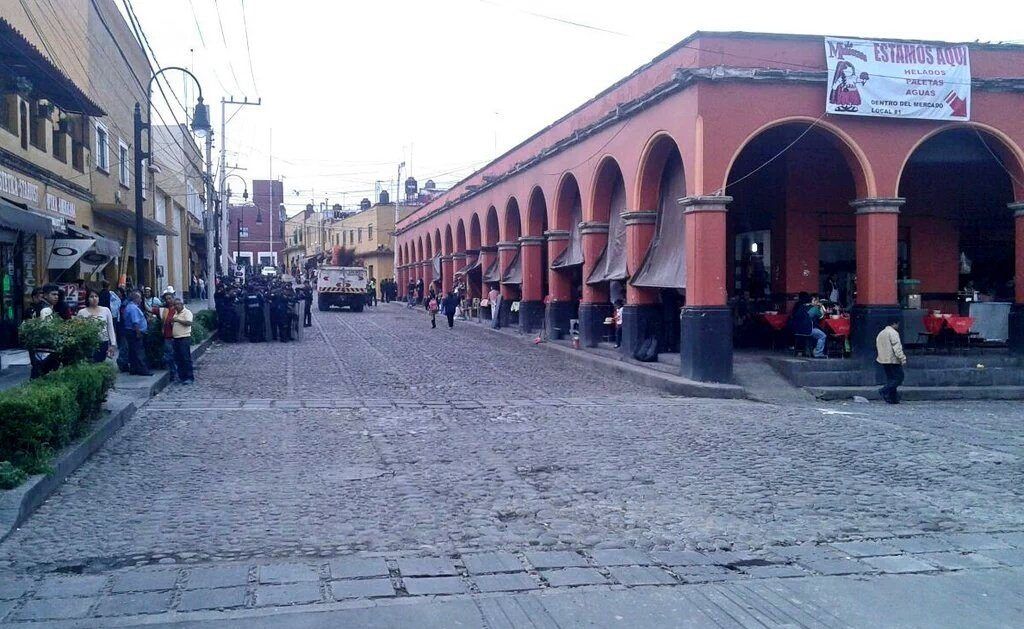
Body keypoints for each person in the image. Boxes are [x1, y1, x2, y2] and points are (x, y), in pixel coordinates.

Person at [77, 290, 117, 363]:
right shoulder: (82, 312)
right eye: (91, 297)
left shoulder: (106, 310)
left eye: (96, 296)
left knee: (100, 362)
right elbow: (79, 330)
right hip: (89, 343)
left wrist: (113, 344)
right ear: (87, 299)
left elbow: (110, 328)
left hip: (103, 342)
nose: (94, 298)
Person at [876, 318, 907, 404]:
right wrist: (902, 358)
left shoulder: (881, 333)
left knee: (891, 379)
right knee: (899, 378)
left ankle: (893, 398)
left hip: (883, 359)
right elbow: (897, 347)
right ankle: (884, 390)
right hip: (893, 359)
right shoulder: (893, 333)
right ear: (894, 324)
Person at [122, 291, 152, 376]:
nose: (141, 300)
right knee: (139, 351)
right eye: (139, 298)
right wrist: (138, 333)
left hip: (130, 331)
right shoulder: (133, 308)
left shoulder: (129, 306)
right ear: (135, 298)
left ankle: (134, 369)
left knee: (133, 351)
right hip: (134, 332)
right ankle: (143, 370)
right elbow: (135, 322)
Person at [790, 292, 826, 359]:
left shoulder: (802, 306)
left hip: (798, 330)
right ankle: (818, 353)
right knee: (823, 335)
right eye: (817, 300)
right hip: (808, 330)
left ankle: (810, 351)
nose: (818, 302)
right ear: (814, 300)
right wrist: (821, 306)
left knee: (815, 333)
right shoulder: (814, 308)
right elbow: (821, 317)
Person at [171, 298, 194, 384]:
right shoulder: (176, 313)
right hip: (176, 338)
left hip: (184, 338)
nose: (176, 306)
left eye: (177, 304)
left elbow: (189, 323)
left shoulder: (187, 312)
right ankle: (182, 377)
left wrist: (178, 320)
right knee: (178, 358)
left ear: (182, 304)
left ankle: (189, 377)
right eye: (175, 304)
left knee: (185, 358)